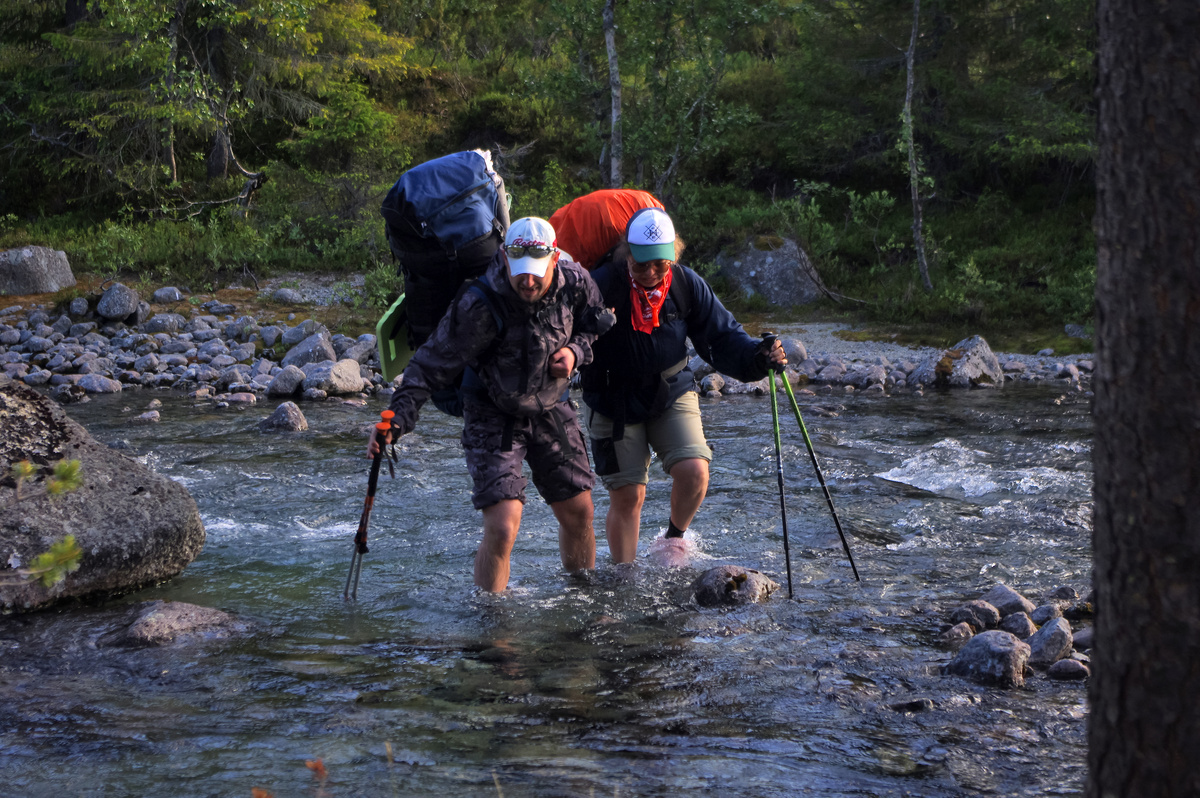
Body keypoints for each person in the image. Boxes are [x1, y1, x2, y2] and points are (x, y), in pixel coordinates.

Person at [368, 216, 615, 591]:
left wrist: (575, 352)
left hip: (551, 407)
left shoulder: (576, 283)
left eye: (536, 272)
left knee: (580, 512)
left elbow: (595, 324)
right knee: (503, 524)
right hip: (492, 413)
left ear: (553, 261)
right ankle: (491, 624)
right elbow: (429, 365)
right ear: (505, 257)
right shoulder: (479, 304)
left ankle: (579, 600)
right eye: (520, 272)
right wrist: (396, 421)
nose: (527, 281)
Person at [579, 207, 787, 565]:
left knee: (694, 472)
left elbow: (723, 337)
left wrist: (759, 356)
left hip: (670, 389)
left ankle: (673, 539)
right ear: (626, 254)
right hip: (613, 400)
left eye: (659, 263)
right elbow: (562, 334)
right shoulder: (599, 285)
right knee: (629, 495)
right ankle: (624, 577)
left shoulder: (685, 284)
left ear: (673, 254)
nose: (649, 272)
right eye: (640, 264)